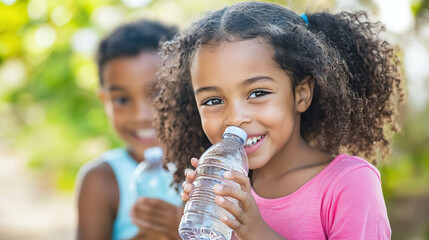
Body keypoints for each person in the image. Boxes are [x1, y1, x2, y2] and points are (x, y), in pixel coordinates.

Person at [153, 1, 405, 240]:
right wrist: (203, 219)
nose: (235, 118)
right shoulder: (225, 193)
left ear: (301, 94)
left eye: (258, 93)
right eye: (213, 101)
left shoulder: (349, 184)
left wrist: (255, 230)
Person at [76, 20, 182, 240]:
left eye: (157, 94)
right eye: (122, 99)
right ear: (104, 100)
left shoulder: (211, 169)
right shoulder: (101, 181)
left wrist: (185, 231)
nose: (141, 115)